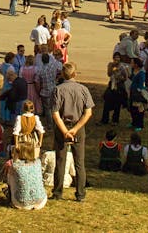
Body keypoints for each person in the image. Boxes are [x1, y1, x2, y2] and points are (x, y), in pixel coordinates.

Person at [50, 61, 93, 202]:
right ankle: (80, 194)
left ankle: (57, 192)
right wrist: (75, 129)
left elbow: (55, 113)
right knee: (79, 162)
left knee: (60, 160)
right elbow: (88, 112)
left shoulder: (58, 90)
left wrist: (65, 131)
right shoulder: (83, 90)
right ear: (75, 74)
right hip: (78, 127)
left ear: (63, 74)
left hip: (62, 126)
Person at [4, 140, 47, 210]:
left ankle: (12, 198)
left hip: (21, 204)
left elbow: (8, 181)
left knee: (10, 177)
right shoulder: (38, 163)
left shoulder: (15, 166)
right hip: (40, 202)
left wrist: (14, 158)